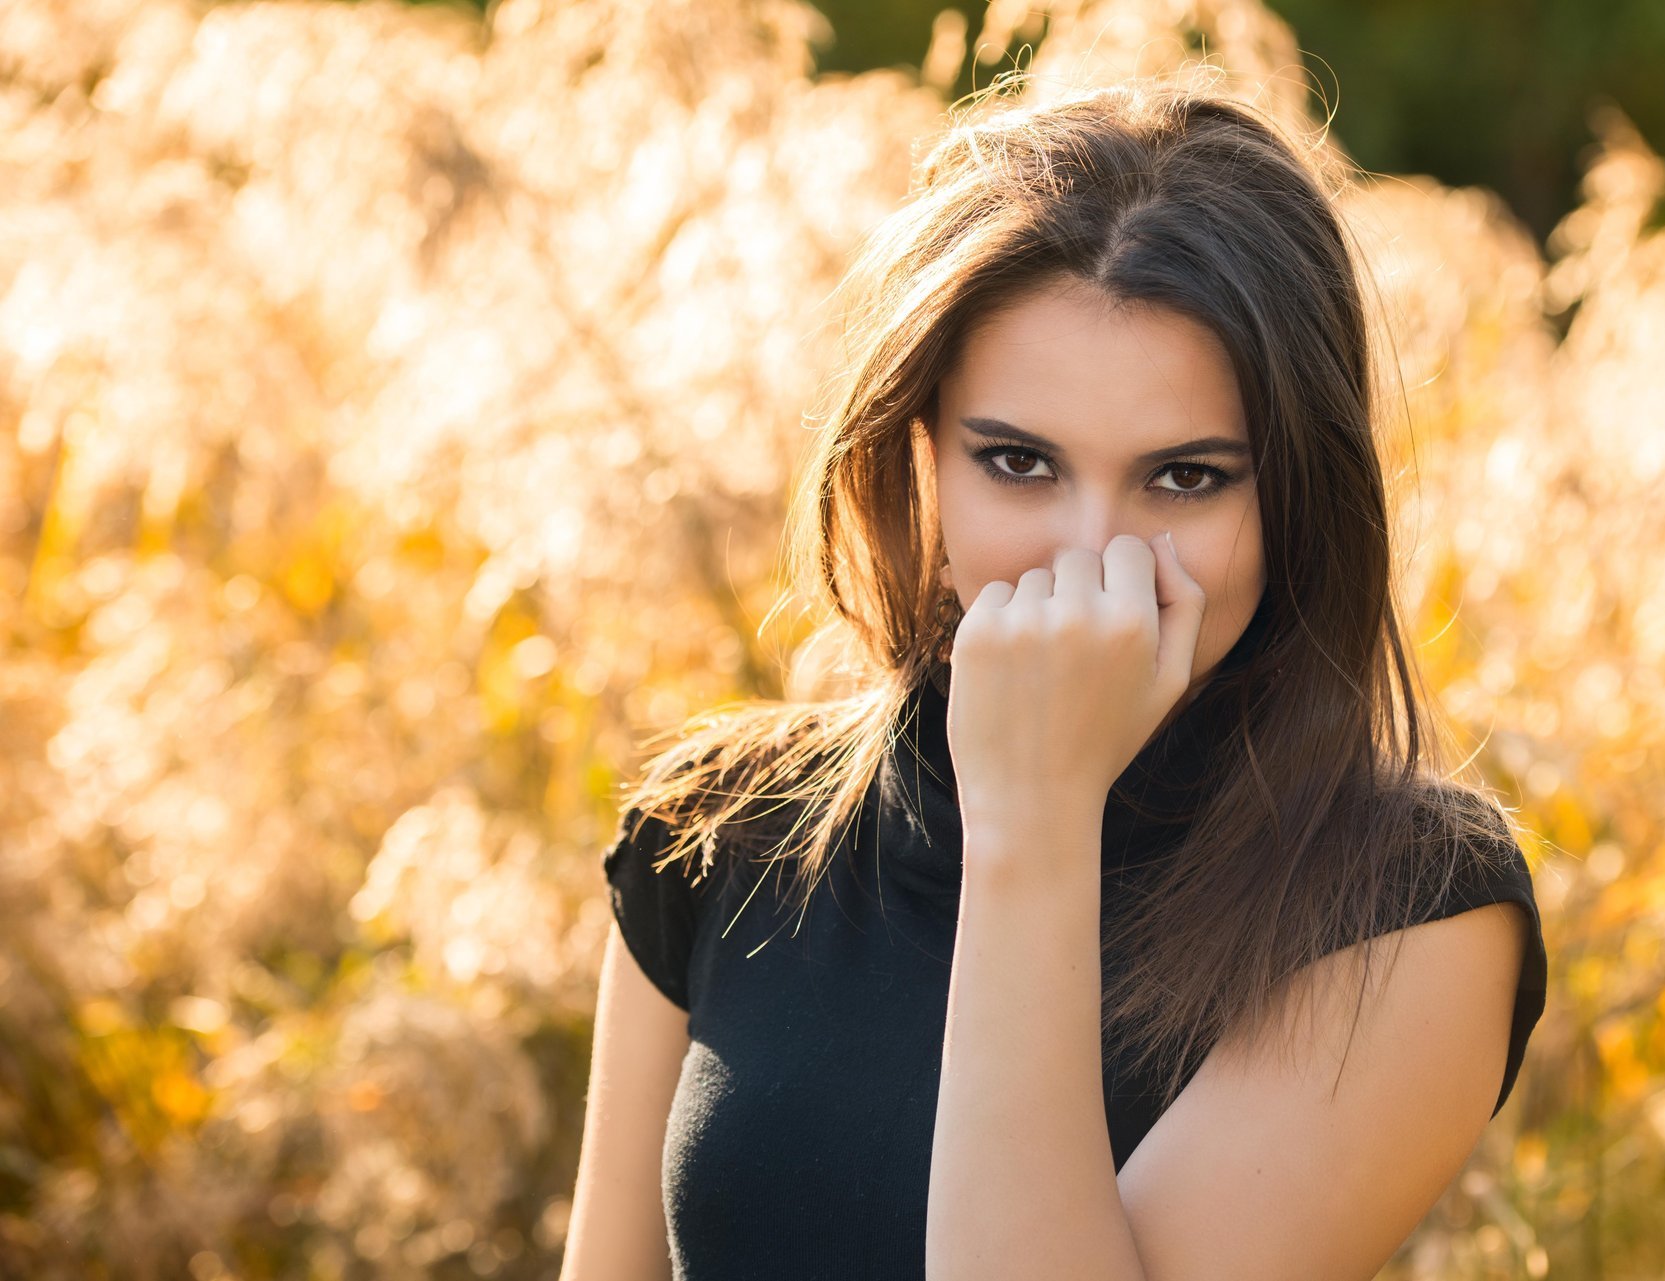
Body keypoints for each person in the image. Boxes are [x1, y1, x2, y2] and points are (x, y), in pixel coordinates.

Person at [562, 76, 1549, 1281]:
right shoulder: (720, 829)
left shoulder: (1408, 907)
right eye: (1020, 462)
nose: (1095, 555)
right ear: (918, 455)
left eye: (1186, 478)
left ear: (1298, 494)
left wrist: (1032, 822)